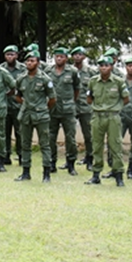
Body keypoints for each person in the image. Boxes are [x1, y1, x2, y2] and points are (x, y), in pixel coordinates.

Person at [85, 56, 129, 186]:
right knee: (96, 146)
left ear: (112, 67)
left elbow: (126, 99)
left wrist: (114, 108)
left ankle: (119, 175)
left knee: (115, 146)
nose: (103, 67)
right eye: (101, 65)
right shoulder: (93, 81)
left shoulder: (118, 81)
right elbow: (89, 98)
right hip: (97, 116)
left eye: (106, 65)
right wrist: (98, 107)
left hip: (113, 117)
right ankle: (96, 175)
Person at [14, 51, 56, 183]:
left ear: (37, 63)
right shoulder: (21, 78)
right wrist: (26, 104)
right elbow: (17, 95)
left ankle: (46, 174)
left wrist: (43, 108)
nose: (29, 63)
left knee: (45, 144)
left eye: (32, 61)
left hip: (41, 116)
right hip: (26, 115)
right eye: (27, 61)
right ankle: (26, 172)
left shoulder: (45, 79)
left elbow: (52, 99)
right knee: (25, 144)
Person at [45, 47, 80, 175]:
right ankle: (52, 162)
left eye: (61, 56)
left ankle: (71, 163)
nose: (59, 59)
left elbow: (77, 89)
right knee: (50, 137)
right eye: (57, 56)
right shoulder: (48, 71)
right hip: (52, 109)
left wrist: (70, 101)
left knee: (70, 138)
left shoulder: (73, 71)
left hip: (67, 110)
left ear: (66, 58)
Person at [71, 46, 96, 171]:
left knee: (88, 135)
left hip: (86, 107)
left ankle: (90, 159)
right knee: (70, 134)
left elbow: (96, 88)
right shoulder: (68, 70)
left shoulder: (91, 72)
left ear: (84, 57)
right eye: (75, 54)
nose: (77, 57)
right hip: (70, 106)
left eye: (80, 54)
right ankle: (70, 160)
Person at [2, 45, 25, 165]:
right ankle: (6, 155)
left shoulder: (23, 68)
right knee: (5, 132)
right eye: (7, 54)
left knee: (20, 132)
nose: (10, 57)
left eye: (12, 54)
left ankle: (21, 155)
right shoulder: (0, 68)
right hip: (4, 105)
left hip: (18, 105)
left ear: (16, 55)